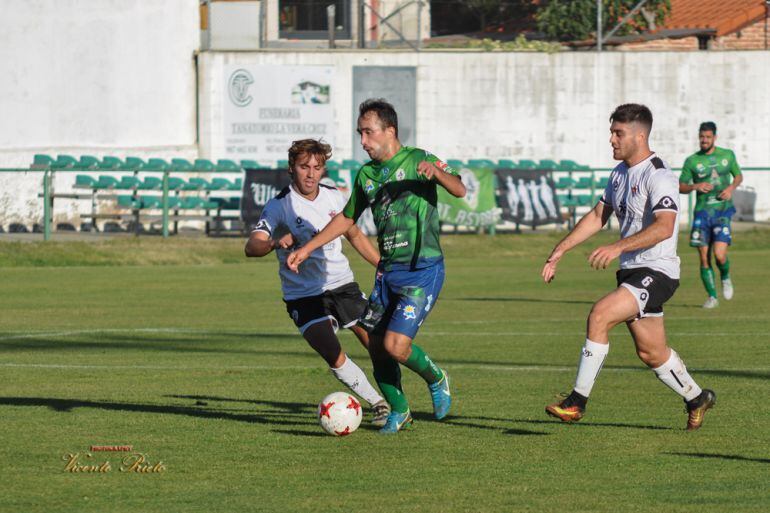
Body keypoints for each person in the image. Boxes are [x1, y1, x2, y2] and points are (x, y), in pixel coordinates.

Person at [287, 99, 467, 434]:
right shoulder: (367, 175)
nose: (363, 141)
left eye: (368, 133)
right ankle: (400, 410)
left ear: (389, 131)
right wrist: (307, 248)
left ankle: (437, 377)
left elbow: (460, 188)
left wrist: (438, 175)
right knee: (376, 345)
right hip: (388, 274)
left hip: (422, 270)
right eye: (360, 133)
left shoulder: (418, 159)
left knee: (395, 346)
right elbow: (347, 218)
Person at [541, 104, 716, 431]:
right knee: (652, 353)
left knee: (600, 314)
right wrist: (559, 250)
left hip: (659, 271)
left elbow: (664, 227)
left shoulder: (659, 175)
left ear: (639, 135)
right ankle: (696, 397)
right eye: (611, 132)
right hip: (633, 272)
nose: (611, 139)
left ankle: (576, 403)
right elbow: (597, 216)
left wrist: (617, 245)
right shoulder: (619, 174)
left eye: (617, 133)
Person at [244, 138, 390, 426]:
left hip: (342, 286)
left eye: (317, 167)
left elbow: (356, 236)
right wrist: (274, 243)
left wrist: (382, 266)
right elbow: (252, 246)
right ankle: (379, 404)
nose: (311, 174)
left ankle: (399, 404)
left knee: (377, 346)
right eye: (304, 167)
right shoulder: (279, 206)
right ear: (291, 169)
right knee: (333, 353)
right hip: (303, 296)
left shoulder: (334, 197)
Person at [679, 121, 743, 308]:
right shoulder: (692, 161)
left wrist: (731, 188)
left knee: (720, 255)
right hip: (702, 213)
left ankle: (725, 276)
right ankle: (712, 296)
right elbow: (680, 185)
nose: (704, 140)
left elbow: (738, 176)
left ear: (715, 137)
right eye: (701, 137)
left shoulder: (727, 155)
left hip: (722, 212)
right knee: (703, 256)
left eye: (707, 137)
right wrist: (694, 186)